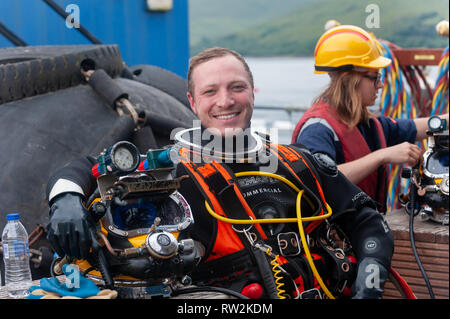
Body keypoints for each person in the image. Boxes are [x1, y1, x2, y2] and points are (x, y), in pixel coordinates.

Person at [46, 47, 395, 299]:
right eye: (210, 91)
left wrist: (370, 282)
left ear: (253, 93)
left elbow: (368, 221)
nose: (225, 101)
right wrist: (65, 198)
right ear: (192, 102)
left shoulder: (298, 162)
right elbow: (84, 168)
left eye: (236, 87)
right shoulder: (168, 171)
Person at [292, 25, 449, 212]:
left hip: (365, 231)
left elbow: (419, 127)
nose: (381, 85)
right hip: (334, 238)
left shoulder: (369, 125)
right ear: (349, 79)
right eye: (375, 77)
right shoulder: (317, 128)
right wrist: (382, 156)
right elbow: (321, 181)